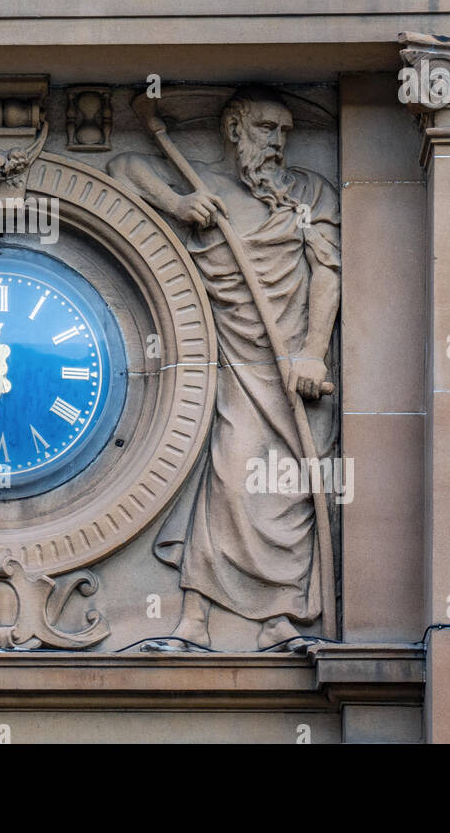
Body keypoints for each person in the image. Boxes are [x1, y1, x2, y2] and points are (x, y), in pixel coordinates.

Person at [110, 87, 340, 650]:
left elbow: (327, 272)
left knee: (290, 490)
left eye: (285, 132)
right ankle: (195, 619)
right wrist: (175, 202)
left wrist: (313, 351)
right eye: (265, 128)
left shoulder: (308, 194)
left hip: (297, 375)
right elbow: (122, 164)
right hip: (236, 360)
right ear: (235, 129)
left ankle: (280, 617)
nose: (278, 143)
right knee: (229, 479)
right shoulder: (206, 187)